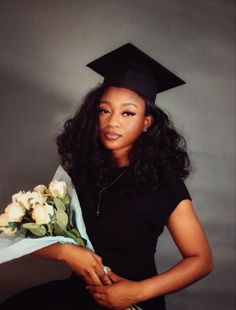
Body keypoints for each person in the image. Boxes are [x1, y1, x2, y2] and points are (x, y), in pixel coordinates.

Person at [1, 43, 213, 309]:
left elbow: (201, 260)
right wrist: (67, 252)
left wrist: (136, 293)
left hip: (134, 299)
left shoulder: (164, 183)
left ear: (146, 122)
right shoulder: (80, 172)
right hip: (80, 294)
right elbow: (23, 234)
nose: (113, 122)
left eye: (128, 113)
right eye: (105, 110)